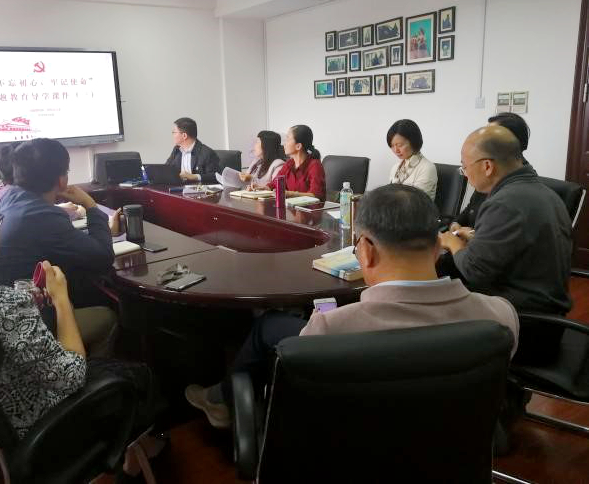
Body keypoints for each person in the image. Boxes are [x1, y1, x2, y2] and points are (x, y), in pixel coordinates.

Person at [184, 184, 519, 428]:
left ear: (366, 251)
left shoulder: (330, 329)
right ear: (438, 248)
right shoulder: (501, 316)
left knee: (271, 325)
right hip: (451, 458)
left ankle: (220, 400)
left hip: (353, 461)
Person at [0, 179, 162, 480]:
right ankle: (144, 450)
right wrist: (61, 301)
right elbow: (72, 376)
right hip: (29, 438)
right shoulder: (3, 305)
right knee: (138, 376)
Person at [439, 125, 572, 362]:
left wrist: (451, 241)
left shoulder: (505, 202)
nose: (465, 174)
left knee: (430, 307)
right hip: (548, 317)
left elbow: (474, 271)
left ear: (487, 166)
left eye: (464, 167)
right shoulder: (543, 192)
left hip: (526, 324)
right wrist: (476, 238)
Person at [0, 138, 118, 354]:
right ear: (62, 180)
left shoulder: (8, 196)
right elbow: (103, 257)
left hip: (4, 313)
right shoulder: (41, 215)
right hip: (28, 324)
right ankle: (85, 371)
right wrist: (90, 205)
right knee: (107, 317)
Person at [451, 112, 532, 230]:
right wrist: (455, 225)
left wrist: (470, 236)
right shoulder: (489, 174)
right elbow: (470, 211)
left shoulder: (517, 192)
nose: (482, 139)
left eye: (490, 134)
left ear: (509, 141)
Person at [253, 125, 326, 201]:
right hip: (292, 207)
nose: (284, 143)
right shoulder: (289, 163)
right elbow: (275, 184)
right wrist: (264, 188)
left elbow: (316, 195)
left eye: (288, 139)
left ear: (298, 146)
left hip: (311, 208)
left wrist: (291, 194)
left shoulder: (315, 165)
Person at [387, 119, 438, 200]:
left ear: (413, 142)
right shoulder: (395, 168)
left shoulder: (427, 168)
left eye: (399, 145)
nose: (396, 150)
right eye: (392, 146)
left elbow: (416, 201)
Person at [165, 117, 220, 183]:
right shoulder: (177, 150)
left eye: (174, 132)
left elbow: (216, 176)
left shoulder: (207, 153)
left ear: (184, 136)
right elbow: (166, 169)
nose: (173, 135)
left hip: (198, 188)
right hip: (178, 187)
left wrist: (194, 176)